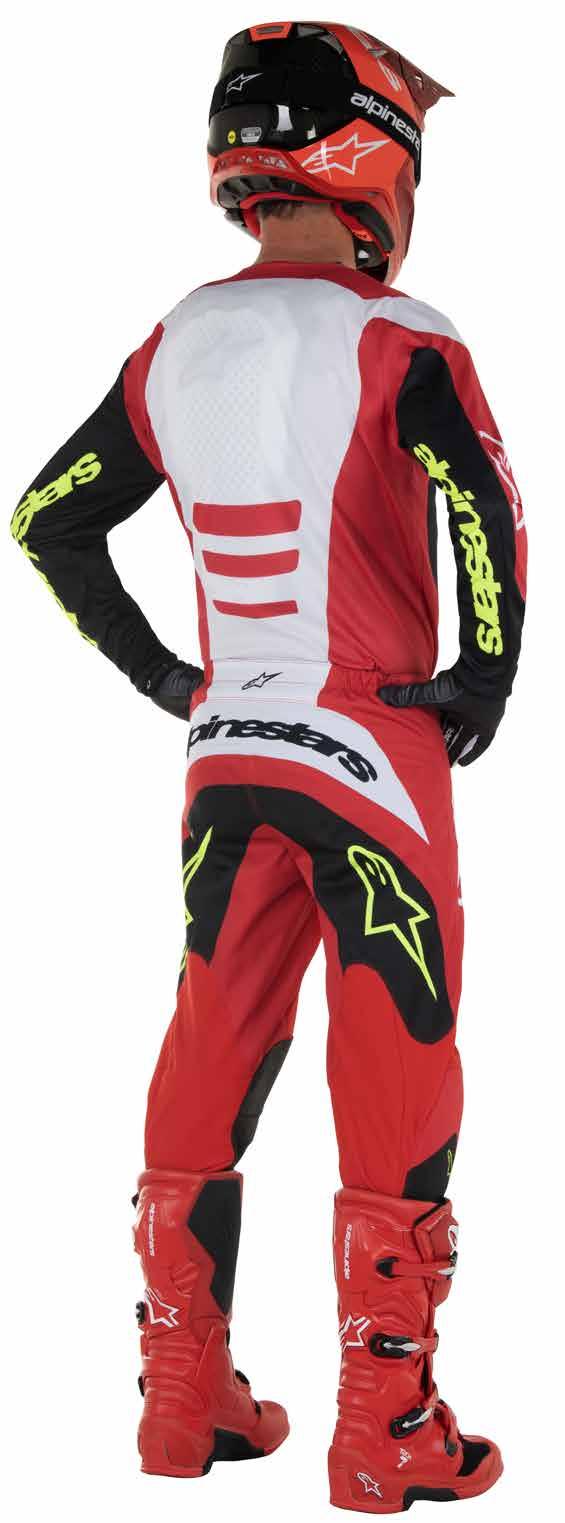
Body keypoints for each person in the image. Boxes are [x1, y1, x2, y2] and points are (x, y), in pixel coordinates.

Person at [11, 19, 527, 1513]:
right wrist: (484, 675)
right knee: (397, 1055)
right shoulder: (406, 333)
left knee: (211, 1042)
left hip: (226, 755)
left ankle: (183, 1404)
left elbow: (48, 518)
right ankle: (387, 1425)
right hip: (375, 751)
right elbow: (484, 513)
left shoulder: (173, 341)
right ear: (377, 160)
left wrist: (167, 677)